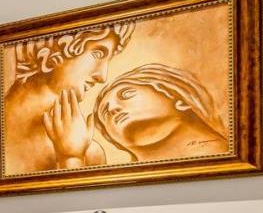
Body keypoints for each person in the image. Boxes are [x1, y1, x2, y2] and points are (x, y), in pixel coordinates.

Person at [1, 23, 132, 175]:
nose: (102, 76)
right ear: (49, 56)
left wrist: (71, 157)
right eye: (98, 54)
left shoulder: (88, 154)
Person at [91, 64, 228, 162]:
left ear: (179, 99)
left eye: (127, 94)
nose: (112, 109)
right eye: (105, 114)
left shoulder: (229, 157)